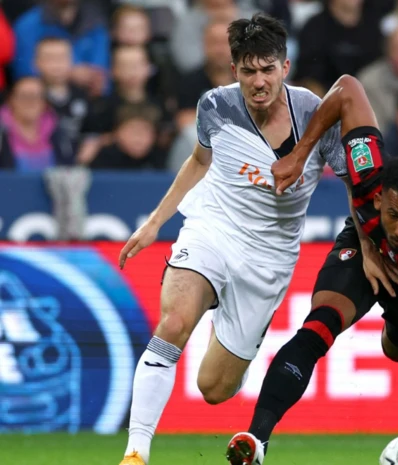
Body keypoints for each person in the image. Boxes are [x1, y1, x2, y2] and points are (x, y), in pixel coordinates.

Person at [116, 13, 349, 465]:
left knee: (214, 389)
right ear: (234, 70)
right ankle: (135, 453)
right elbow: (199, 162)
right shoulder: (216, 106)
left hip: (268, 259)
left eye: (267, 69)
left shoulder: (316, 116)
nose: (258, 81)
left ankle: (227, 320)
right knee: (173, 324)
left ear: (285, 66)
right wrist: (154, 223)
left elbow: (354, 182)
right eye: (248, 70)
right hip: (214, 228)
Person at [226, 75, 398, 465]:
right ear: (382, 195)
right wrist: (301, 153)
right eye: (393, 215)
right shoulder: (370, 172)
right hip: (361, 242)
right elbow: (348, 88)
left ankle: (392, 319)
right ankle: (256, 440)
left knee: (397, 350)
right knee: (317, 327)